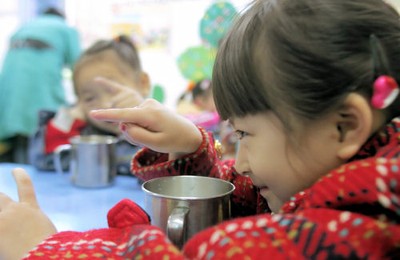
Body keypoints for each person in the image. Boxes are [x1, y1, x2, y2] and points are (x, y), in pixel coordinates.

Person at [1, 0, 400, 259]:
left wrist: (47, 249)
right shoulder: (355, 181)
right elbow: (250, 199)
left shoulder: (363, 230)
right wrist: (191, 145)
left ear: (344, 127)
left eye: (244, 135)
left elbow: (215, 252)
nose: (239, 162)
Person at [28, 35, 151, 175]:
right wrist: (67, 119)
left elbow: (170, 172)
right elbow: (45, 162)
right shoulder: (85, 133)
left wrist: (142, 122)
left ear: (143, 83)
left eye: (113, 90)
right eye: (90, 98)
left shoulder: (163, 126)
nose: (105, 105)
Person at [0, 7, 81, 163]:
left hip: (8, 91)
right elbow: (79, 68)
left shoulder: (22, 28)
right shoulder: (66, 29)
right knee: (39, 131)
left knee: (16, 134)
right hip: (40, 91)